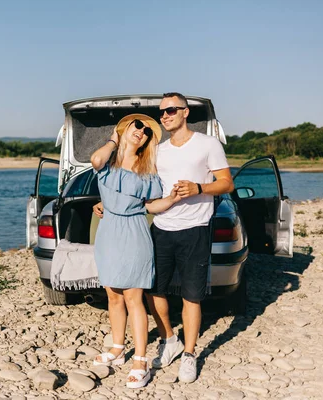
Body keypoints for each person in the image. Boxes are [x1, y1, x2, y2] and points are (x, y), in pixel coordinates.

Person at [93, 92, 234, 383]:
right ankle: (169, 340)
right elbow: (120, 181)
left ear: (185, 112)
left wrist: (199, 188)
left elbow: (227, 184)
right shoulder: (160, 151)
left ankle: (189, 355)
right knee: (153, 291)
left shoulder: (207, 144)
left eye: (171, 110)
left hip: (195, 227)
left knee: (191, 296)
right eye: (162, 112)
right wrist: (105, 203)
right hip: (160, 228)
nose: (166, 115)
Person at [90, 114, 182, 389]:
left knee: (133, 297)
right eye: (136, 125)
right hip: (107, 233)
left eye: (146, 130)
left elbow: (150, 206)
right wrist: (113, 139)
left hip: (133, 232)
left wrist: (172, 199)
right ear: (123, 129)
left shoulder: (148, 169)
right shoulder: (107, 161)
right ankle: (117, 348)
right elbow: (95, 161)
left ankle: (140, 360)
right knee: (113, 294)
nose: (141, 131)